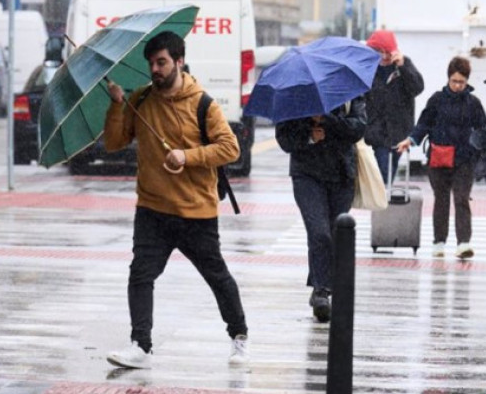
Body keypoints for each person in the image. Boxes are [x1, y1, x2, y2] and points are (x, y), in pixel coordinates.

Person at [102, 31, 248, 368]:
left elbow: (230, 148)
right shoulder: (139, 101)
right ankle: (141, 345)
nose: (155, 69)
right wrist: (115, 105)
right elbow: (113, 143)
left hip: (195, 211)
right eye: (151, 63)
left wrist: (188, 156)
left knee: (216, 276)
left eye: (162, 62)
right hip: (152, 209)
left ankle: (239, 336)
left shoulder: (203, 104)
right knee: (140, 274)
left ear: (179, 61)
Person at [275, 97, 366, 322]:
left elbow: (358, 128)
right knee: (319, 232)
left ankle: (321, 285)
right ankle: (322, 291)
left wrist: (327, 119)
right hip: (307, 175)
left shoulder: (348, 93)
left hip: (341, 175)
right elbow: (284, 139)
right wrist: (308, 132)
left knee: (334, 236)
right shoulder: (296, 96)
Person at [396, 56, 486, 259]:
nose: (457, 86)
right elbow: (423, 124)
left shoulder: (473, 103)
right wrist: (410, 140)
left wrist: (481, 150)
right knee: (441, 200)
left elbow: (483, 129)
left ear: (467, 81)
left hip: (464, 159)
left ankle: (464, 242)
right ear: (448, 79)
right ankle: (439, 242)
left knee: (461, 198)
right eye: (454, 81)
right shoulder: (436, 100)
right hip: (438, 159)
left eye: (461, 82)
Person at [364, 29, 424, 185]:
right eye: (379, 52)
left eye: (387, 52)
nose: (384, 57)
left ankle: (384, 204)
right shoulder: (368, 69)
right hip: (377, 132)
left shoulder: (404, 65)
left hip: (399, 131)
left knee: (391, 169)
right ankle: (383, 203)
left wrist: (403, 67)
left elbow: (417, 88)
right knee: (382, 172)